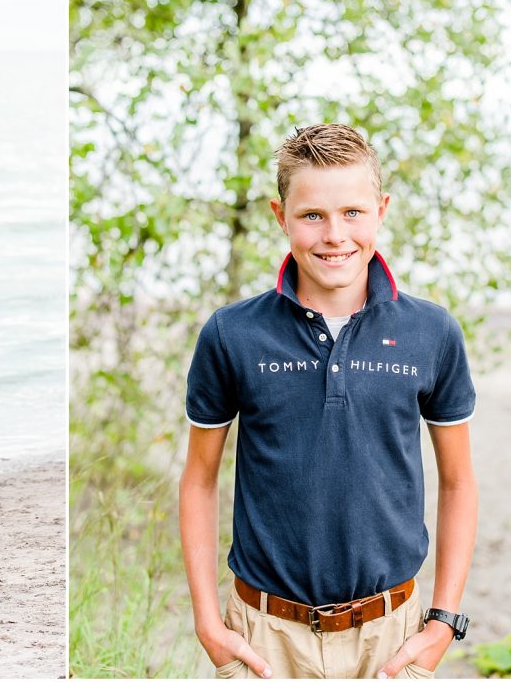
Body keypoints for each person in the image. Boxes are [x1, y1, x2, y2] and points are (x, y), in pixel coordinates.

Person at [179, 124, 478, 679]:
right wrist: (207, 622)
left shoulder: (431, 332)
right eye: (312, 215)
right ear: (280, 215)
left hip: (393, 637)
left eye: (353, 213)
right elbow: (198, 479)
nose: (335, 235)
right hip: (264, 637)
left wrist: (443, 620)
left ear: (381, 210)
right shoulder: (231, 334)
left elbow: (458, 481)